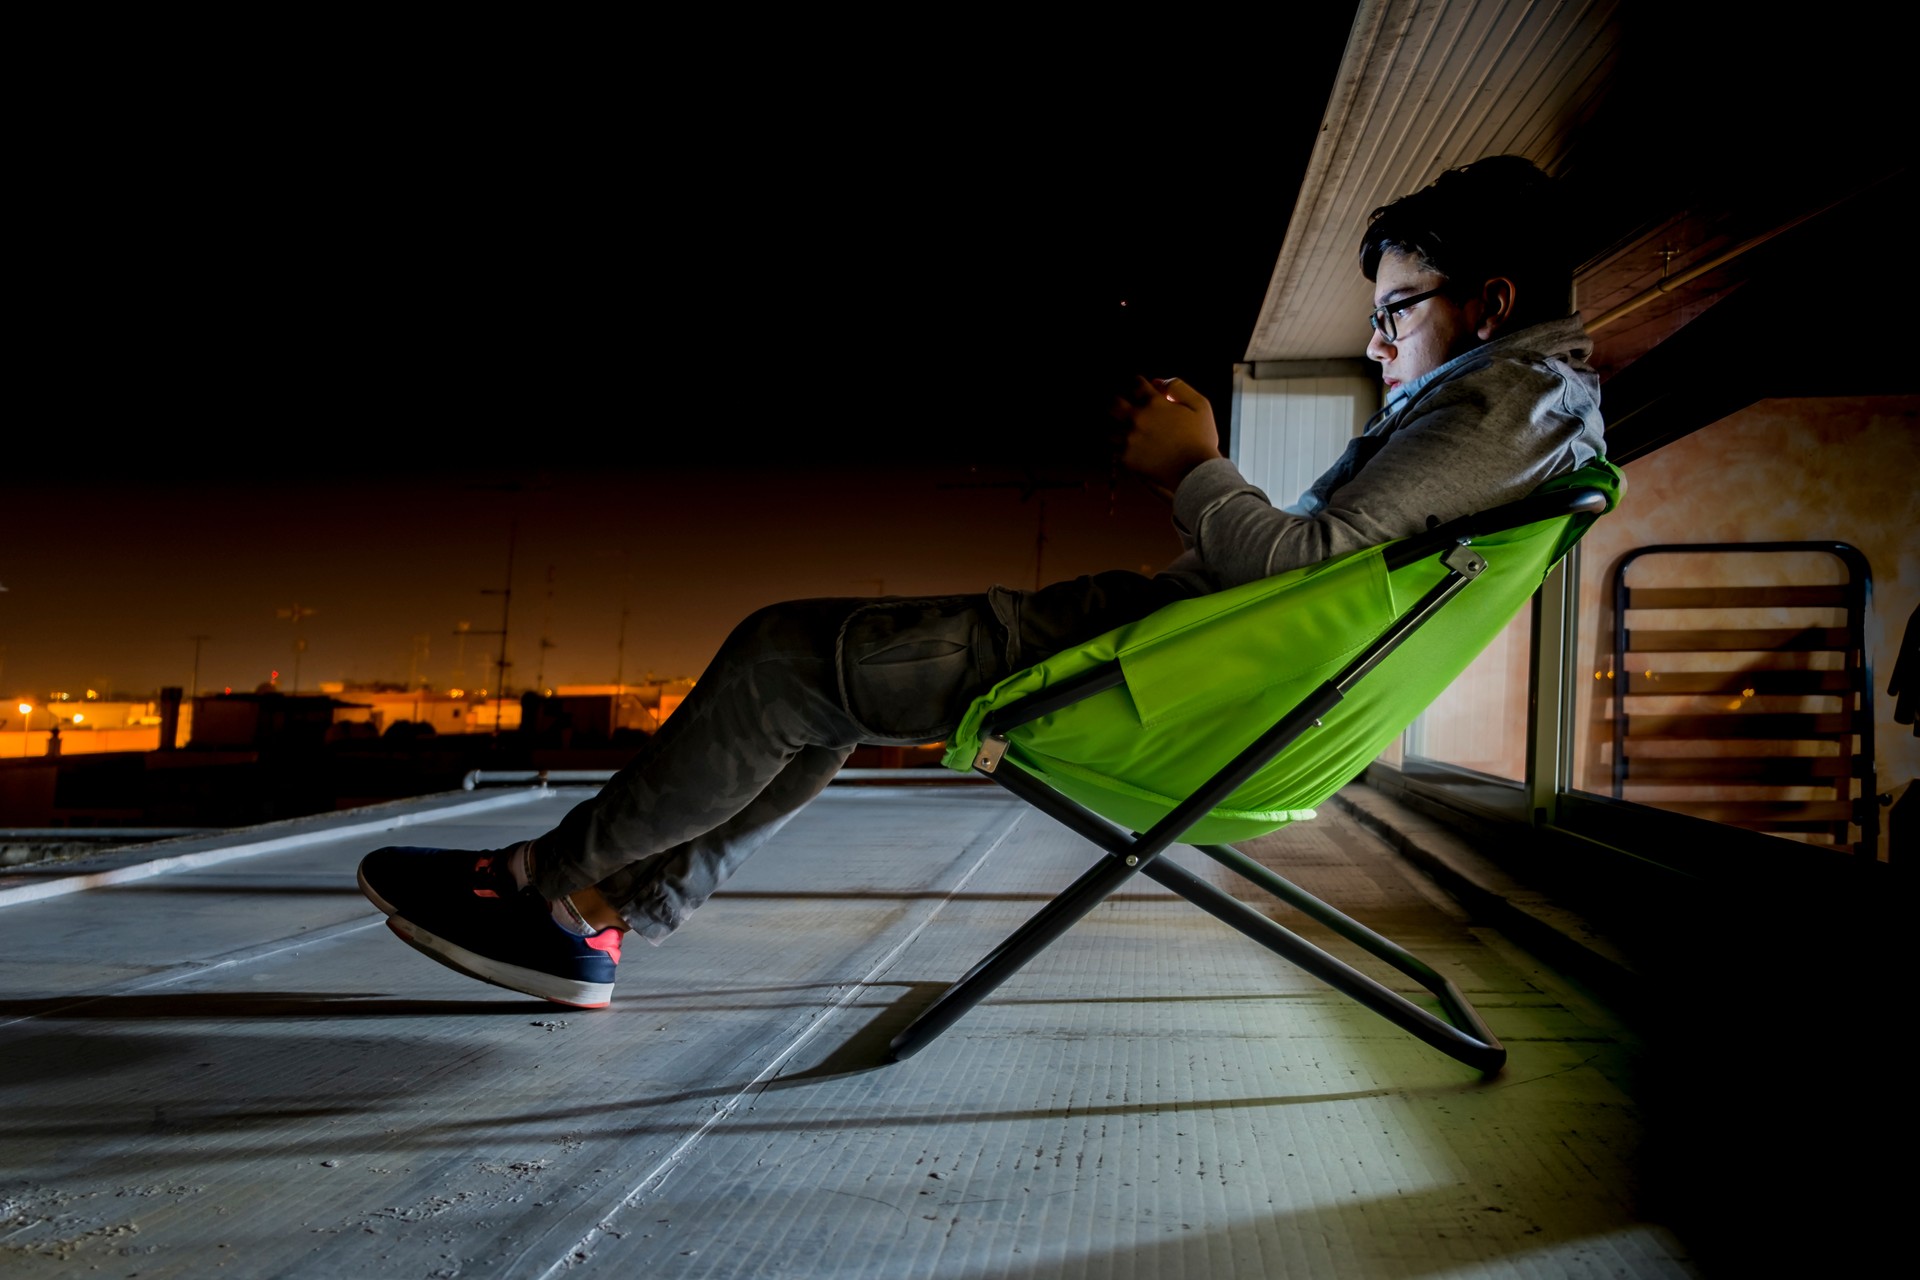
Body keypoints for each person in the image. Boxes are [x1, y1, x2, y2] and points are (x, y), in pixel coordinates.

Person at [357, 154, 1607, 1008]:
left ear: (1489, 303)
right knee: (818, 681)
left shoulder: (1509, 402)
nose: (1381, 338)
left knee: (785, 653)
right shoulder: (1541, 427)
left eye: (1400, 309)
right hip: (1187, 686)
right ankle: (597, 908)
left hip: (1141, 683)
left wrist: (1196, 469)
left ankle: (543, 887)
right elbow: (1336, 588)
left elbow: (1312, 567)